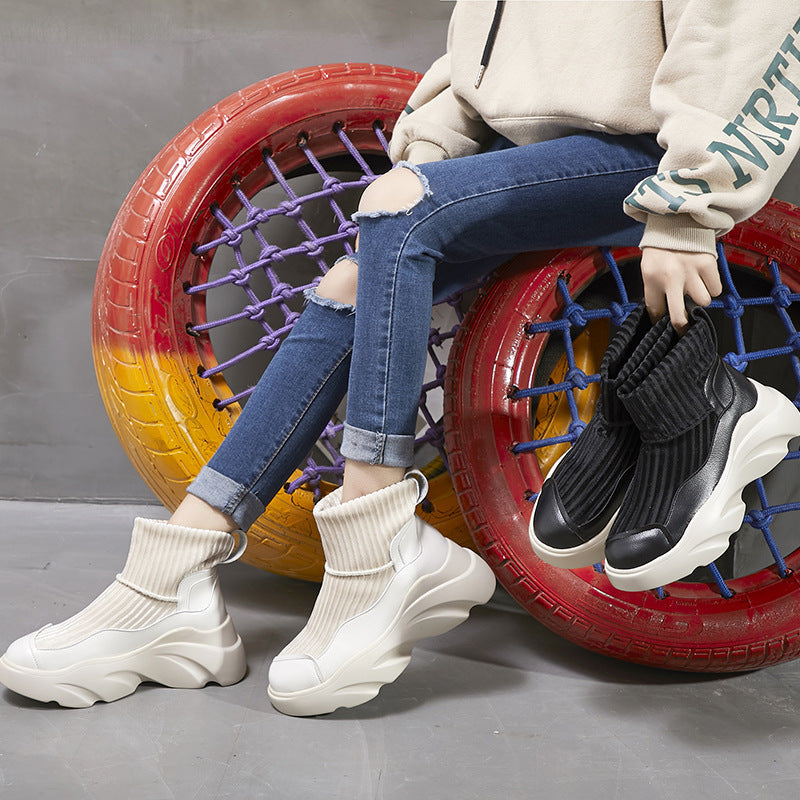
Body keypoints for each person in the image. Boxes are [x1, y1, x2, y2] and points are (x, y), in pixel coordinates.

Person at [2, 0, 800, 715]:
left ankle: (379, 547)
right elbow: (481, 60)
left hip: (642, 155)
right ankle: (171, 578)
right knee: (351, 281)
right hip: (532, 156)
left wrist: (691, 203)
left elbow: (744, 23)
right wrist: (430, 151)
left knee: (403, 211)